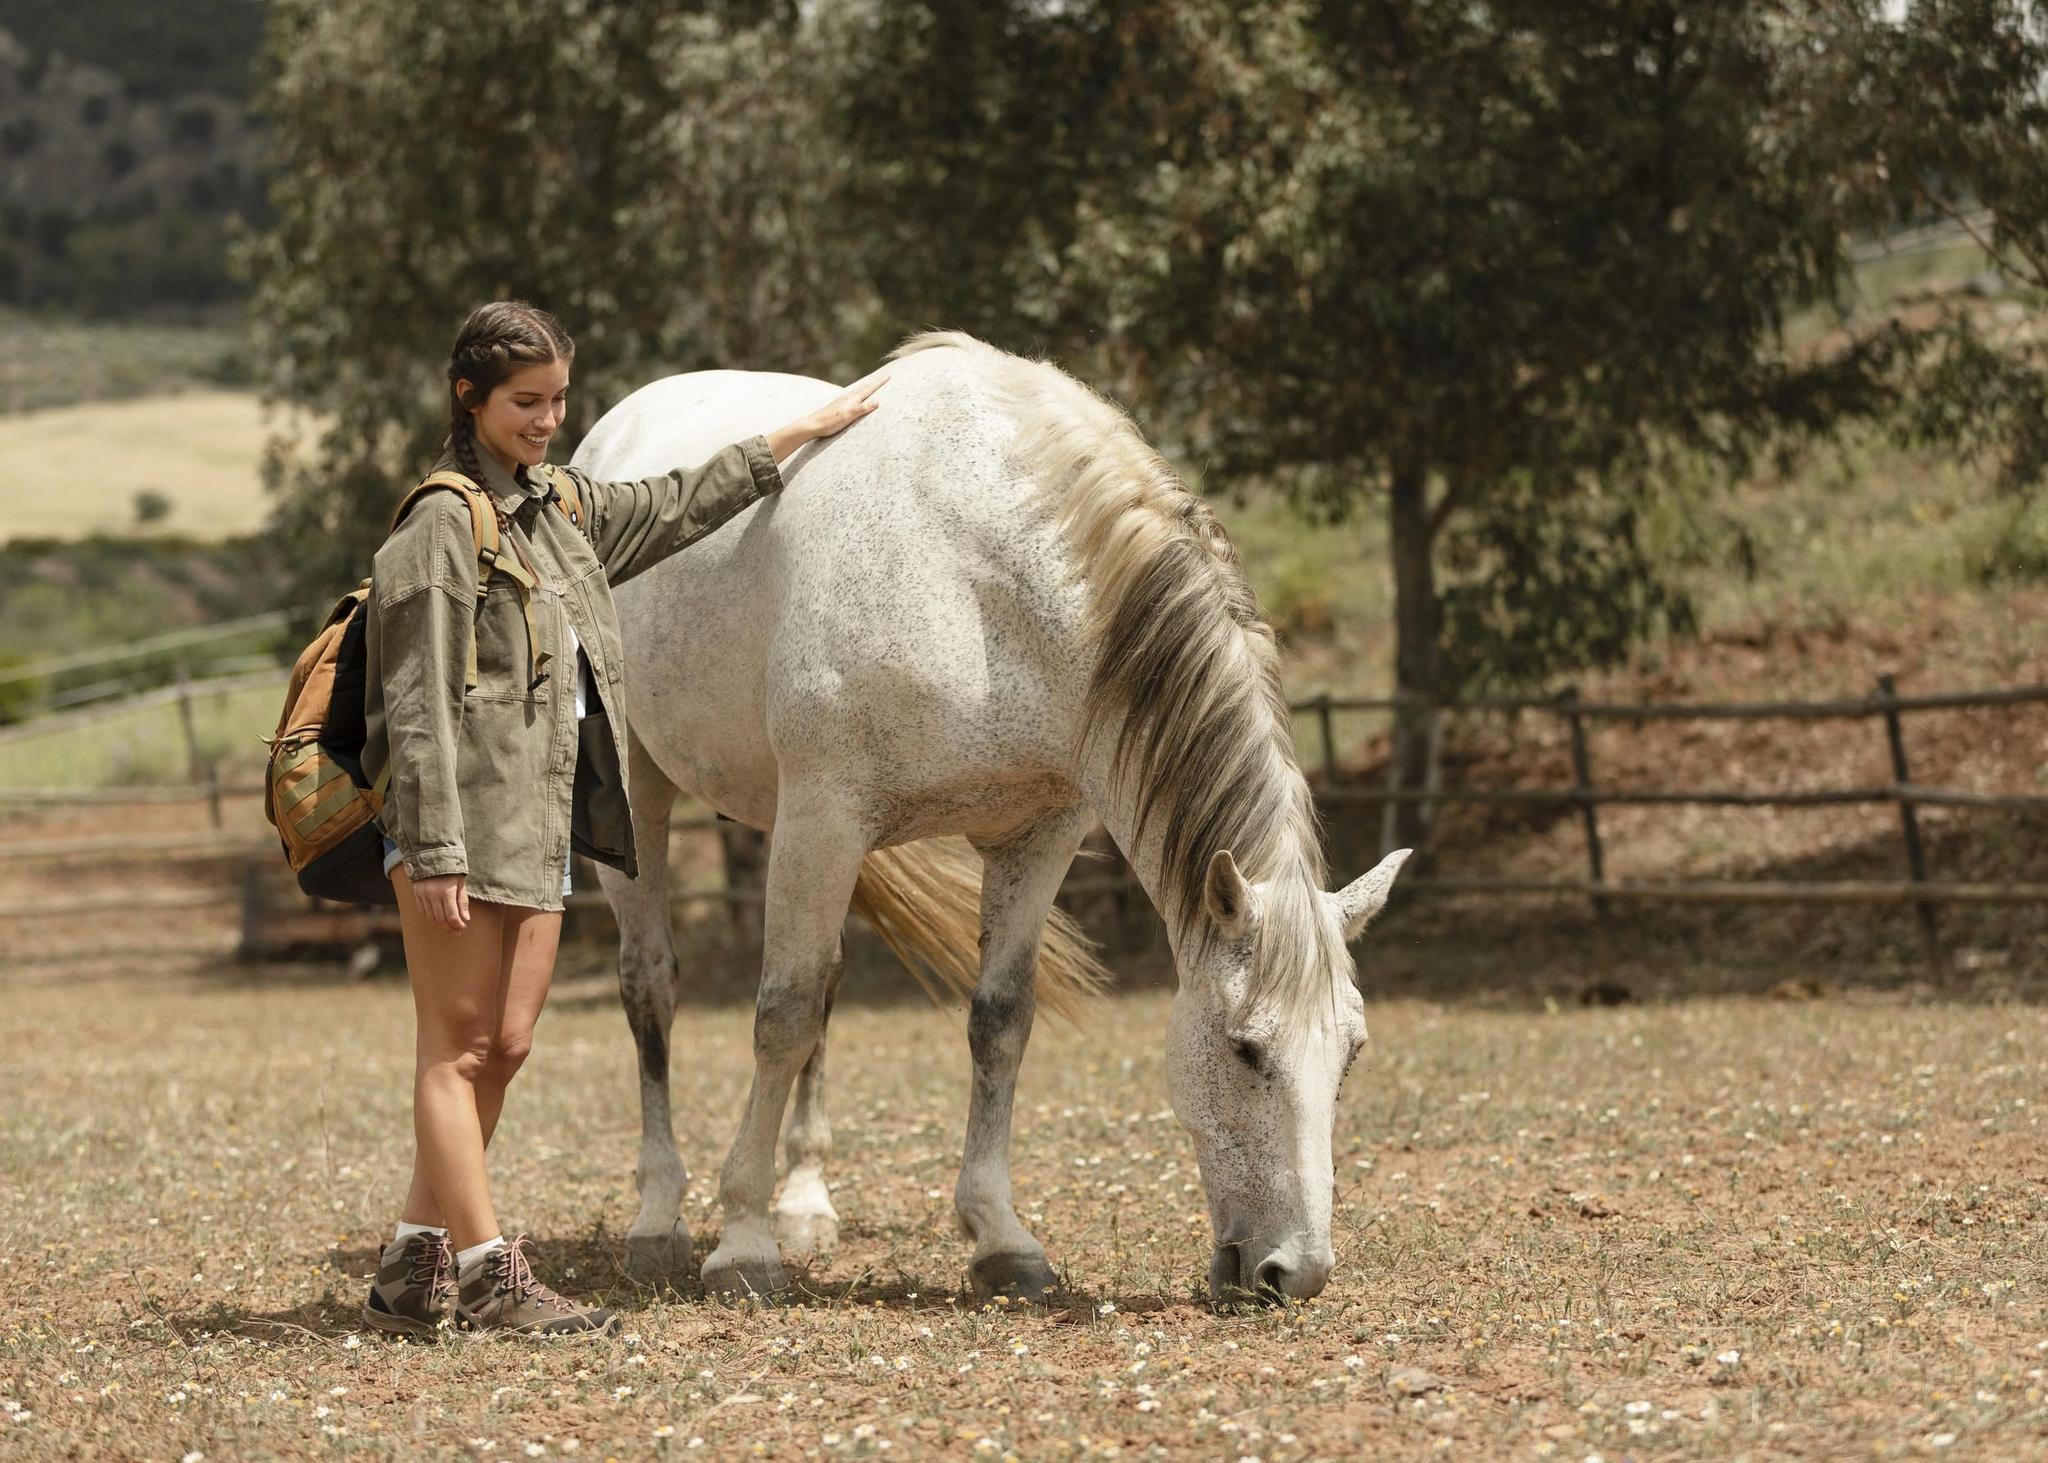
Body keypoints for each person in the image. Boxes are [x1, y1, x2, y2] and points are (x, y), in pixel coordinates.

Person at [357, 300, 882, 1338]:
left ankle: (408, 1265)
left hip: (539, 827)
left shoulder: (558, 508)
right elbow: (413, 704)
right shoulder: (438, 524)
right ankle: (486, 1273)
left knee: (502, 1048)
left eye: (557, 398)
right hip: (458, 827)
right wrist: (432, 845)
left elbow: (682, 501)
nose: (547, 419)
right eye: (524, 402)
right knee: (453, 1052)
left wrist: (803, 434)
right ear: (469, 397)